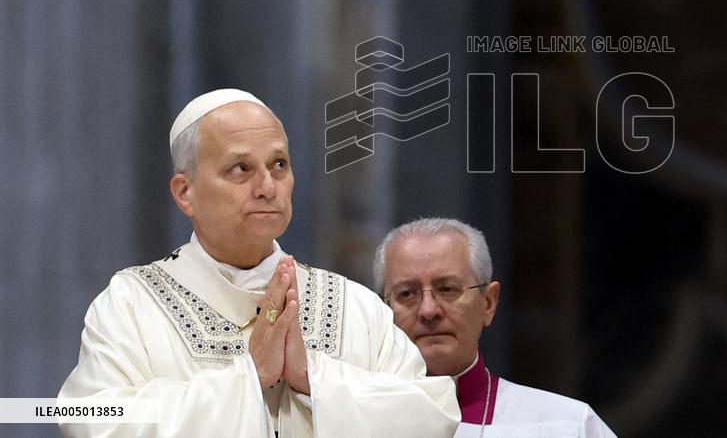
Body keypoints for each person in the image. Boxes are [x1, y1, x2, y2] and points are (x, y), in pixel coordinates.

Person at [60, 89, 459, 437]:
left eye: (279, 165)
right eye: (241, 169)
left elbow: (432, 417)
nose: (268, 187)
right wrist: (247, 380)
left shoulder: (354, 307)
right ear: (186, 192)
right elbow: (91, 419)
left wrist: (314, 380)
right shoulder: (131, 305)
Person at [374, 217, 616, 437]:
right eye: (407, 294)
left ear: (488, 303)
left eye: (447, 289)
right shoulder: (353, 423)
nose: (428, 310)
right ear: (382, 310)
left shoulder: (566, 426)